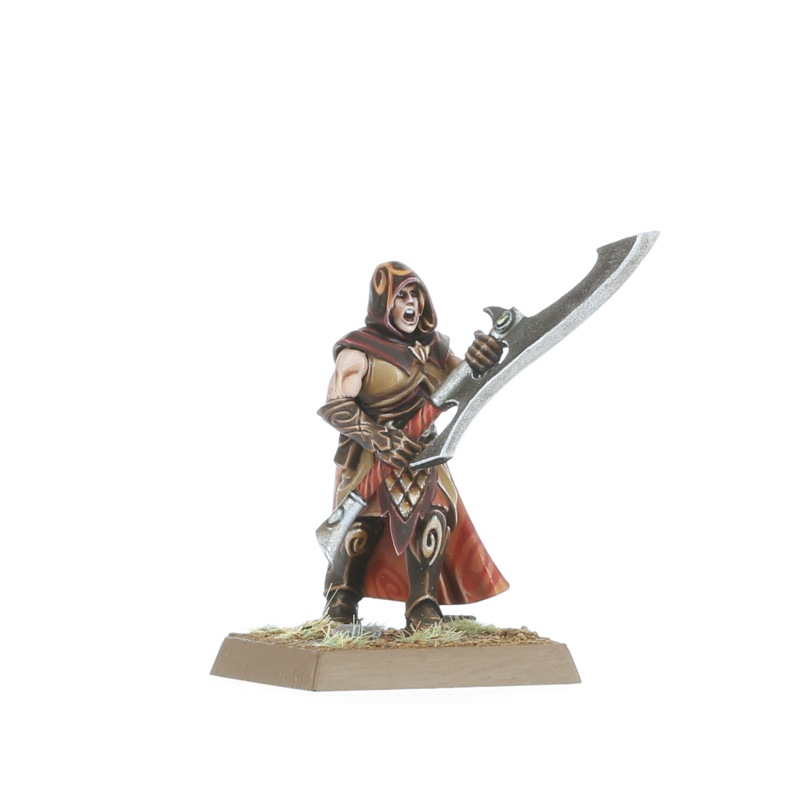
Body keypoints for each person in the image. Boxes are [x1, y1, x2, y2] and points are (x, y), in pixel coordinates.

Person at [317, 261, 509, 628]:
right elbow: (336, 404)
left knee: (432, 520)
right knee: (363, 526)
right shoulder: (359, 350)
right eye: (401, 295)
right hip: (371, 455)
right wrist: (379, 438)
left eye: (415, 295)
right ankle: (340, 601)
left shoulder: (435, 348)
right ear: (383, 303)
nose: (410, 304)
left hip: (423, 453)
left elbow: (468, 382)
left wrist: (482, 360)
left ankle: (422, 606)